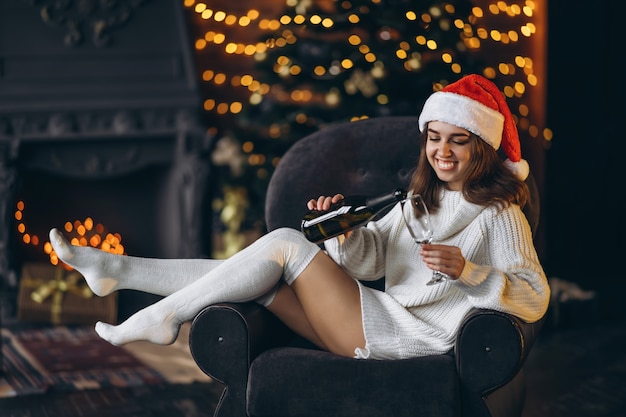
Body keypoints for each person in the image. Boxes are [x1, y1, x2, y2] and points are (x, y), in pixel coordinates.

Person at [49, 74, 550, 360]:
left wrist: (468, 272)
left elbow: (534, 295)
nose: (442, 151)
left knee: (285, 243)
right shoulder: (421, 199)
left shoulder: (499, 215)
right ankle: (123, 272)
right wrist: (346, 232)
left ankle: (162, 314)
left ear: (481, 146)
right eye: (434, 138)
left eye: (457, 140)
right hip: (370, 316)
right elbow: (368, 259)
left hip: (405, 337)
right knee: (253, 277)